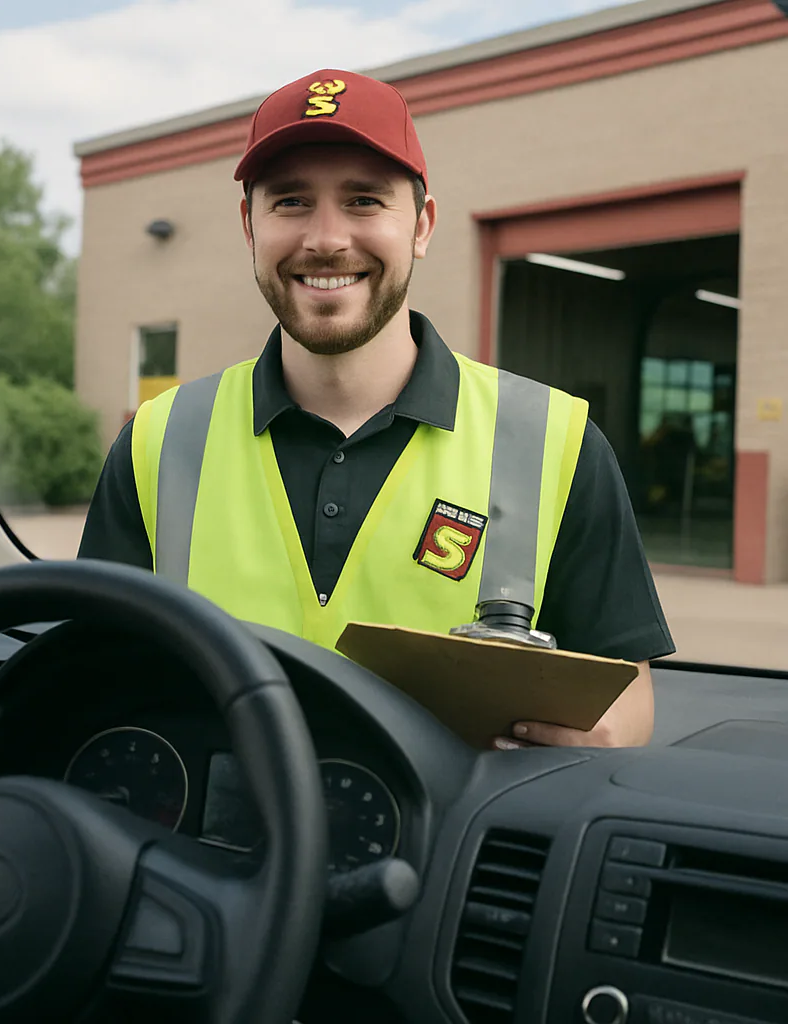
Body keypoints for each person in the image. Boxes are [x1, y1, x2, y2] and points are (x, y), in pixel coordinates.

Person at [79, 68, 674, 750]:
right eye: (291, 202)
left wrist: (588, 746)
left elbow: (624, 691)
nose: (327, 238)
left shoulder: (555, 440)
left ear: (420, 225)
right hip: (214, 851)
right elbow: (94, 677)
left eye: (364, 200)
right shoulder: (159, 441)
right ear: (249, 224)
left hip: (452, 852)